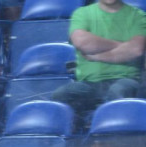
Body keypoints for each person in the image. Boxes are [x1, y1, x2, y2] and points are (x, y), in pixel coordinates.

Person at [52, 0, 146, 130]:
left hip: (126, 79)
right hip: (88, 83)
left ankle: (113, 141)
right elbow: (82, 43)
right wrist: (123, 46)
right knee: (61, 95)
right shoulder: (82, 13)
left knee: (118, 91)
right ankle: (79, 143)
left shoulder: (137, 15)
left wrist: (96, 56)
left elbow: (135, 50)